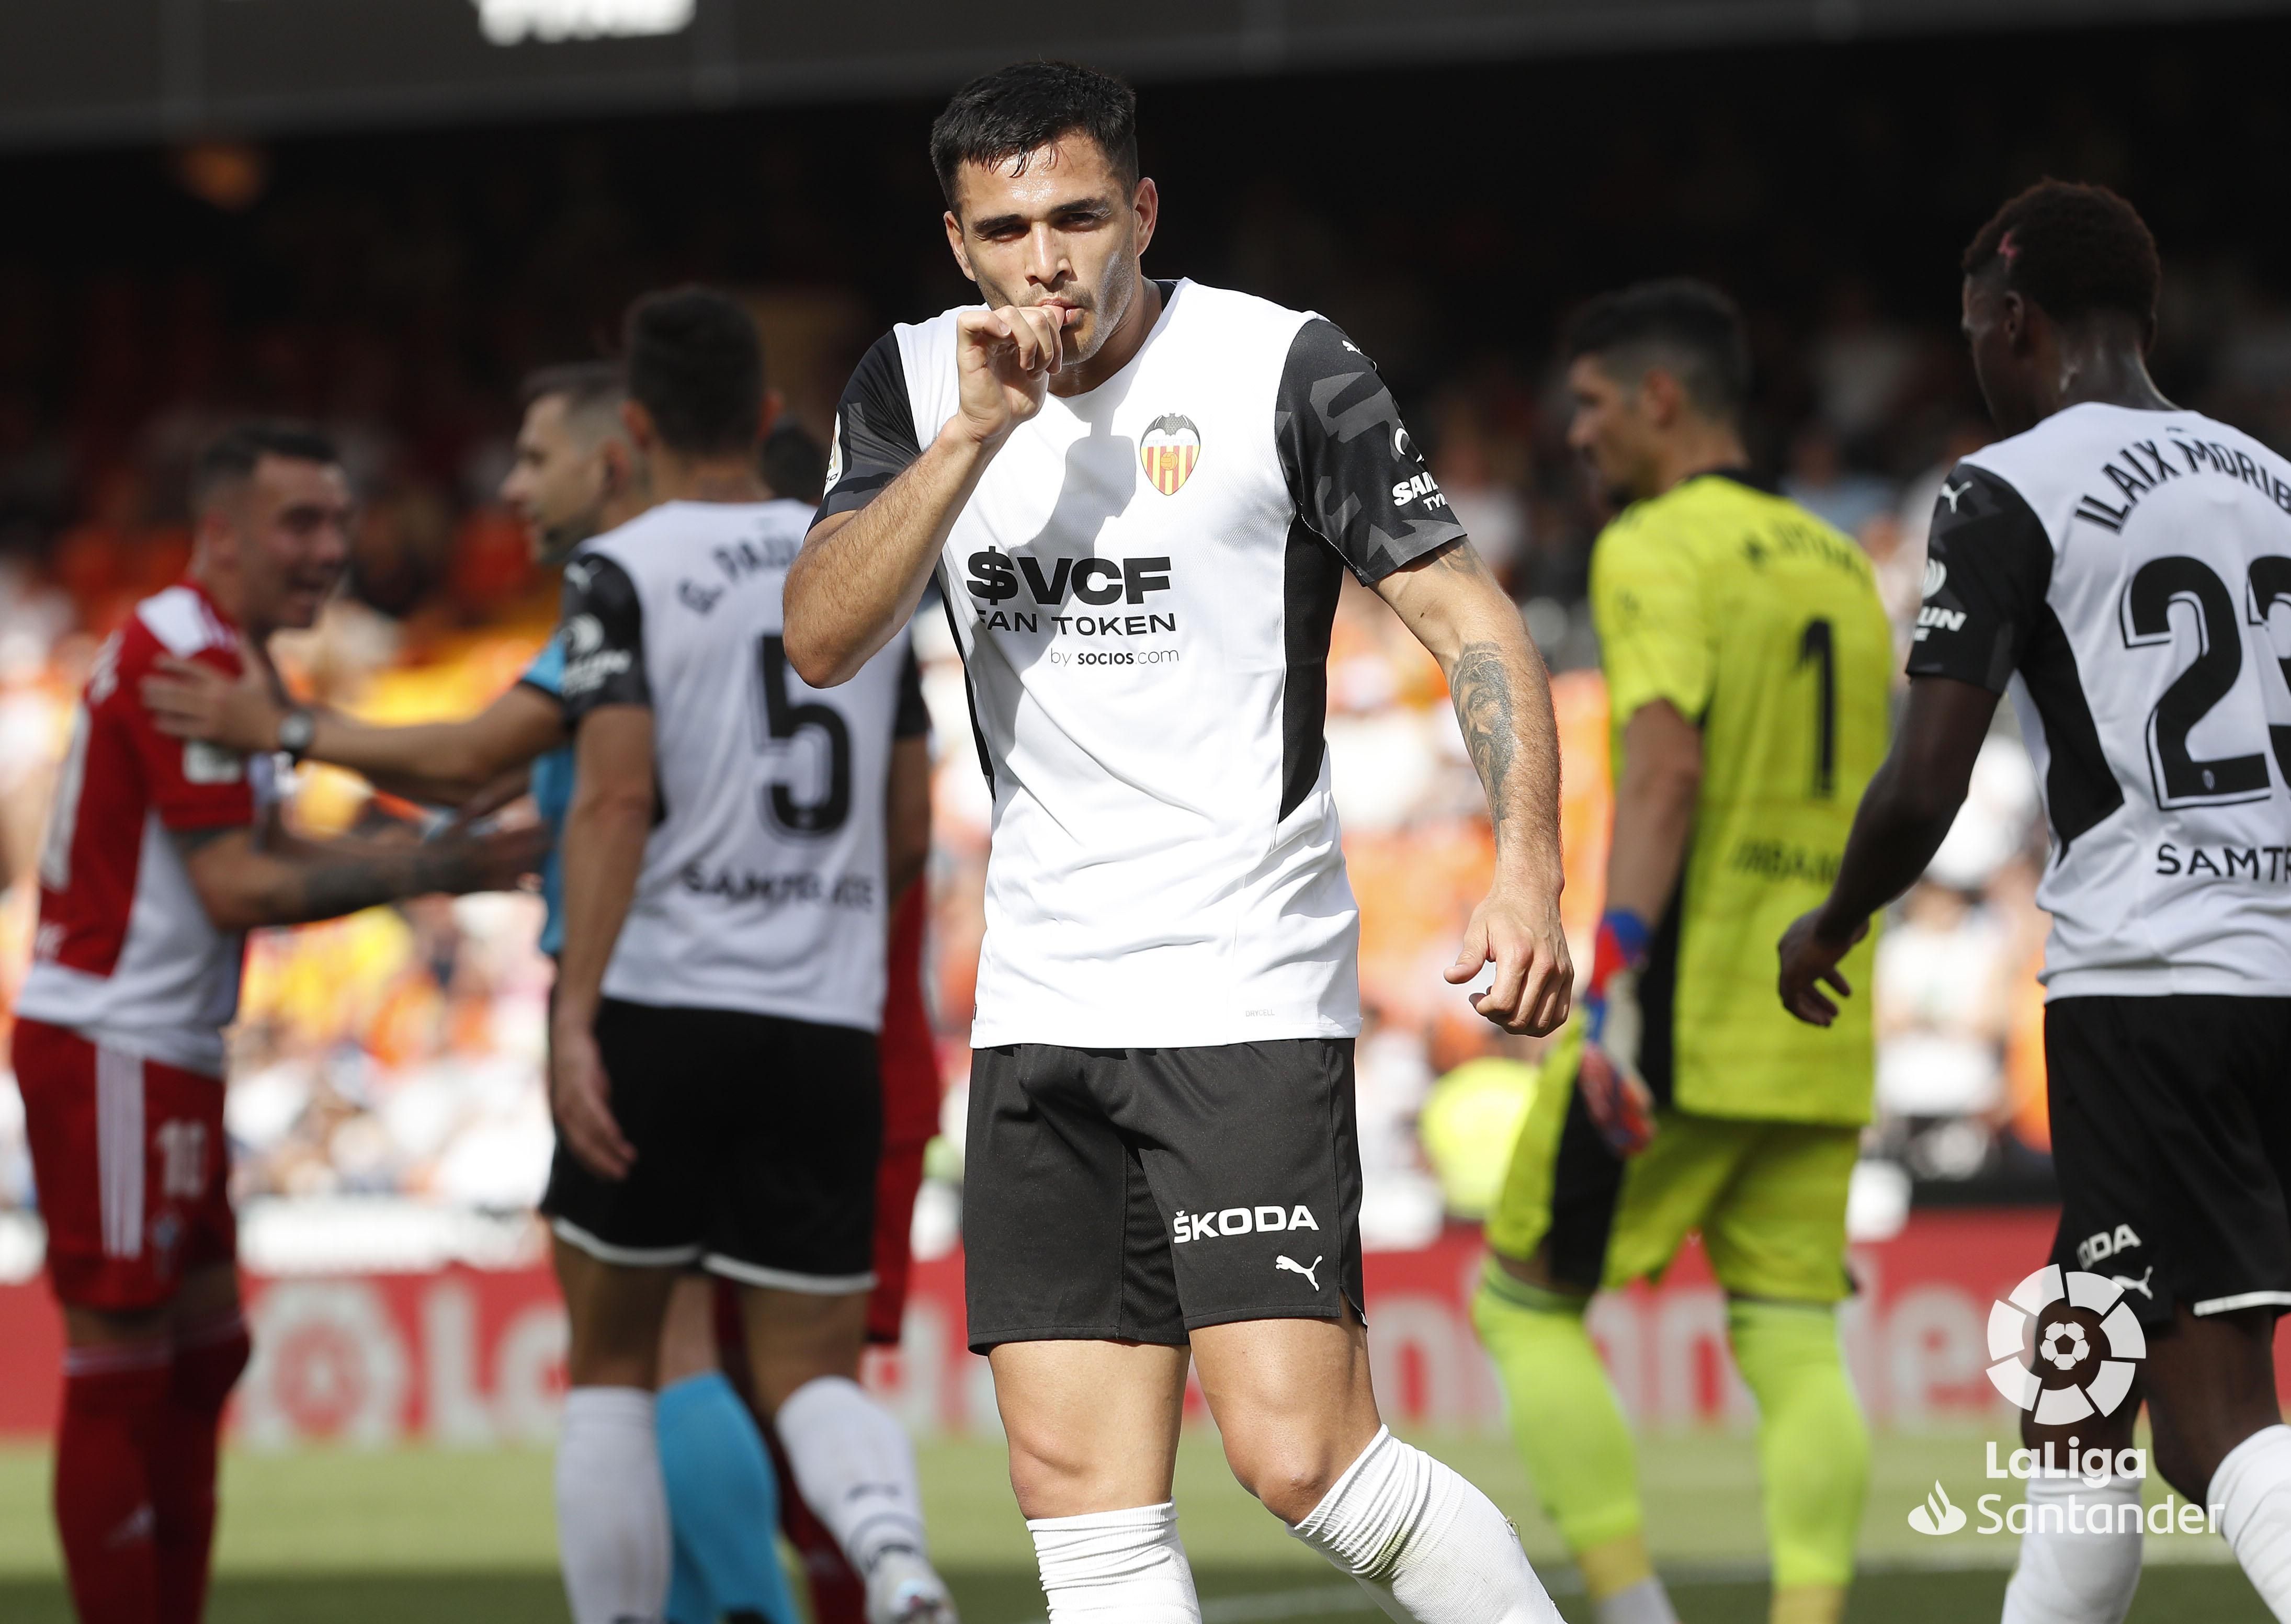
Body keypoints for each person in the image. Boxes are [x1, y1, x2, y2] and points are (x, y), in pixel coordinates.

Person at [785, 60, 1574, 1624]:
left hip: (1240, 986)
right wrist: (972, 438)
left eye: (1079, 216)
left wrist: (1528, 862)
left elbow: (1464, 613)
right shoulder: (906, 385)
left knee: (1305, 1460)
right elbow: (819, 636)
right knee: (1081, 1508)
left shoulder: (1281, 365)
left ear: (1142, 210)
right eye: (1006, 229)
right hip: (1039, 1003)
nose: (1048, 260)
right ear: (958, 244)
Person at [1778, 180, 2291, 1624]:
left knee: (2206, 1428)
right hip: (2268, 971)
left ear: (2013, 324)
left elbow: (1924, 777)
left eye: (1970, 335)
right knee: (2075, 1379)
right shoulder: (2270, 481)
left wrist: (1834, 919)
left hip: (2151, 987)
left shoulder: (2010, 484)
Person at [12, 424, 542, 1624]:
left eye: (339, 523)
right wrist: (433, 872)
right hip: (110, 1041)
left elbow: (268, 849)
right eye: (300, 524)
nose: (331, 550)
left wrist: (444, 850)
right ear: (222, 533)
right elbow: (232, 888)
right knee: (124, 1358)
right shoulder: (183, 654)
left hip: (167, 1048)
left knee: (204, 1354)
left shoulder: (228, 662)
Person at [1469, 281, 1889, 1624]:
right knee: (1791, 1332)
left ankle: (1631, 1607)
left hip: (1688, 1012)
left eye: (1591, 404)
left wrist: (1621, 978)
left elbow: (1663, 771)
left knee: (1522, 1304)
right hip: (1821, 1014)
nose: (1573, 433)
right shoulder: (1842, 562)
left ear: (1662, 397)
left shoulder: (1654, 547)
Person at [545, 286, 952, 1624]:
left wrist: (574, 1015)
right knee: (815, 1368)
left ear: (641, 425)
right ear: (771, 416)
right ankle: (894, 1556)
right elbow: (906, 826)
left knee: (618, 1357)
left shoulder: (626, 565)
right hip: (826, 1018)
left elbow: (609, 800)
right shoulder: (857, 558)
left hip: (666, 999)